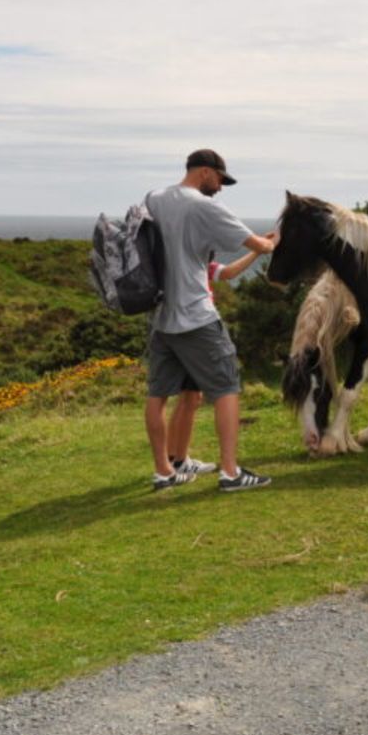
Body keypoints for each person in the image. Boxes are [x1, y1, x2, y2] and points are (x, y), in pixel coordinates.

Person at [145, 148, 278, 493]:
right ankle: (230, 473)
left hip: (162, 316)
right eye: (220, 179)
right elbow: (259, 245)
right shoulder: (203, 206)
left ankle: (164, 471)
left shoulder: (155, 198)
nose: (220, 187)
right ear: (205, 172)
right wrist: (271, 242)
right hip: (196, 316)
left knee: (158, 394)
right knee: (226, 388)